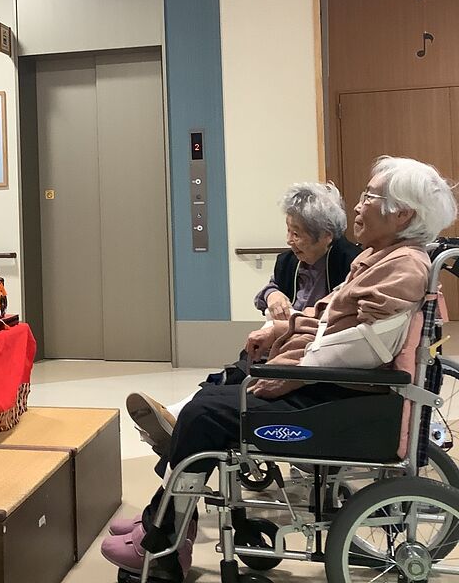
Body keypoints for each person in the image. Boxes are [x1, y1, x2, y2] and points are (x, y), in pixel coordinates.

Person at [102, 157, 457, 582]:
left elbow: (363, 347)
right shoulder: (383, 258)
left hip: (342, 395)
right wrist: (282, 331)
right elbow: (332, 322)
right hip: (339, 389)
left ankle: (162, 544)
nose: (358, 205)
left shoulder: (402, 266)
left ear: (402, 214)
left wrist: (290, 369)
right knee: (210, 401)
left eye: (369, 196)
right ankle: (164, 523)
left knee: (205, 414)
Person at [128, 182, 360, 456]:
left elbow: (330, 317)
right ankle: (176, 422)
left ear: (326, 236)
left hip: (308, 355)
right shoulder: (289, 261)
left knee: (231, 384)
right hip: (278, 346)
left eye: (297, 234)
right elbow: (267, 290)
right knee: (231, 376)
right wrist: (273, 295)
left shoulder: (351, 265)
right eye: (288, 230)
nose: (289, 240)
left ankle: (176, 422)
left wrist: (282, 328)